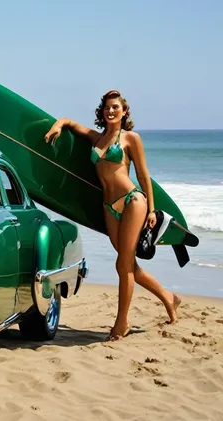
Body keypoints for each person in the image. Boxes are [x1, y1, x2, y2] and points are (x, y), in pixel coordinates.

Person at [44, 89, 181, 341]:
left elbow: (142, 176)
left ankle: (121, 323)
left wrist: (151, 209)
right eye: (107, 107)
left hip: (132, 201)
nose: (111, 111)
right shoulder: (96, 139)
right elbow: (73, 124)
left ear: (124, 111)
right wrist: (58, 125)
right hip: (108, 206)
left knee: (122, 264)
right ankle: (169, 297)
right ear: (102, 111)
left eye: (115, 107)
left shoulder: (130, 138)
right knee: (128, 265)